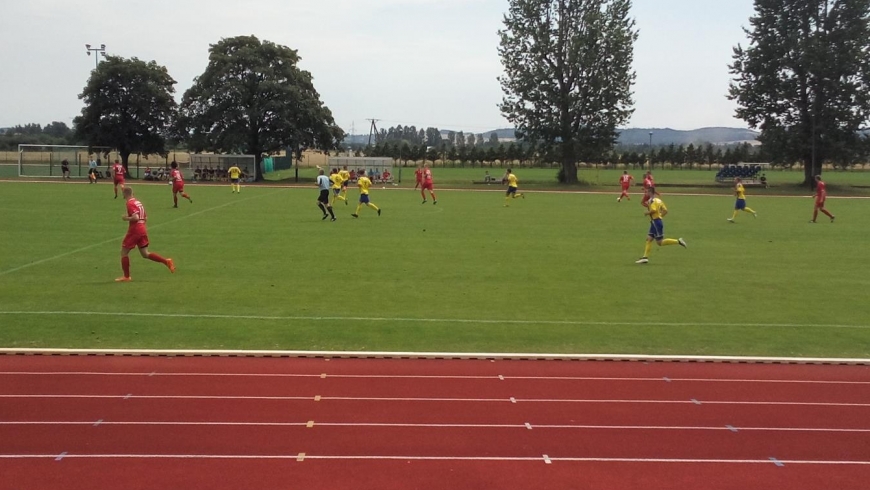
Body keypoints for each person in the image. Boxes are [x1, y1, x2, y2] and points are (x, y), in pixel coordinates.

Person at [116, 187, 175, 282]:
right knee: (145, 254)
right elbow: (145, 217)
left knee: (124, 252)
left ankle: (126, 276)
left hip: (135, 230)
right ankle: (166, 261)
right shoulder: (138, 202)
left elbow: (135, 217)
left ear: (124, 194)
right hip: (142, 228)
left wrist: (126, 218)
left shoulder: (130, 203)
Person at [636, 187, 687, 264]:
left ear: (650, 192)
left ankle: (678, 241)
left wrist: (647, 213)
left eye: (647, 192)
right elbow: (665, 210)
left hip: (656, 223)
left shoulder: (652, 201)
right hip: (656, 222)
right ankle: (645, 257)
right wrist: (660, 217)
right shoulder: (658, 200)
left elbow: (654, 210)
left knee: (659, 242)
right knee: (649, 239)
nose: (646, 194)